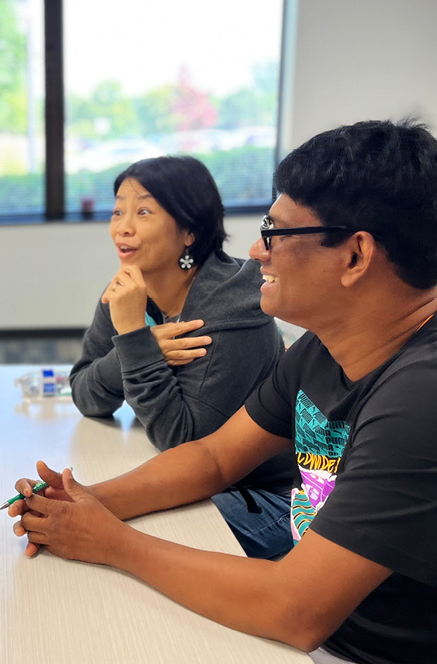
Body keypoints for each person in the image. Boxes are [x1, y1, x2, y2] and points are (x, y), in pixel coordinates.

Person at [9, 121, 437, 664]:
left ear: (355, 254)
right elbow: (215, 457)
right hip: (349, 640)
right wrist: (86, 501)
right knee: (136, 629)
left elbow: (295, 607)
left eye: (275, 231)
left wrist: (111, 541)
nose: (256, 250)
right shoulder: (326, 348)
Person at [70, 156, 295, 559]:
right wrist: (137, 346)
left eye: (143, 211)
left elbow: (184, 444)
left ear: (189, 231)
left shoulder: (233, 306)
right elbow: (87, 397)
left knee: (127, 531)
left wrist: (136, 342)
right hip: (201, 480)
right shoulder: (127, 294)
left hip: (270, 498)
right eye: (118, 210)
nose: (122, 226)